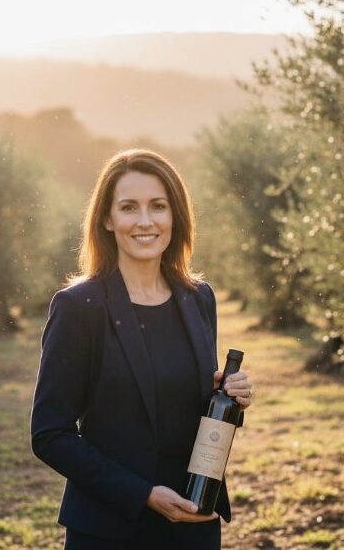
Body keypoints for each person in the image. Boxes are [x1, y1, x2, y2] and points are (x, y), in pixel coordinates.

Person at [31, 149, 254, 549]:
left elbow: (190, 411)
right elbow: (50, 434)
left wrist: (231, 401)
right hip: (109, 529)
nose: (146, 221)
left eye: (158, 206)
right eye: (129, 207)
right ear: (107, 218)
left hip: (193, 522)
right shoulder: (79, 307)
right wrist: (142, 494)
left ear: (175, 216)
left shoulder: (198, 298)